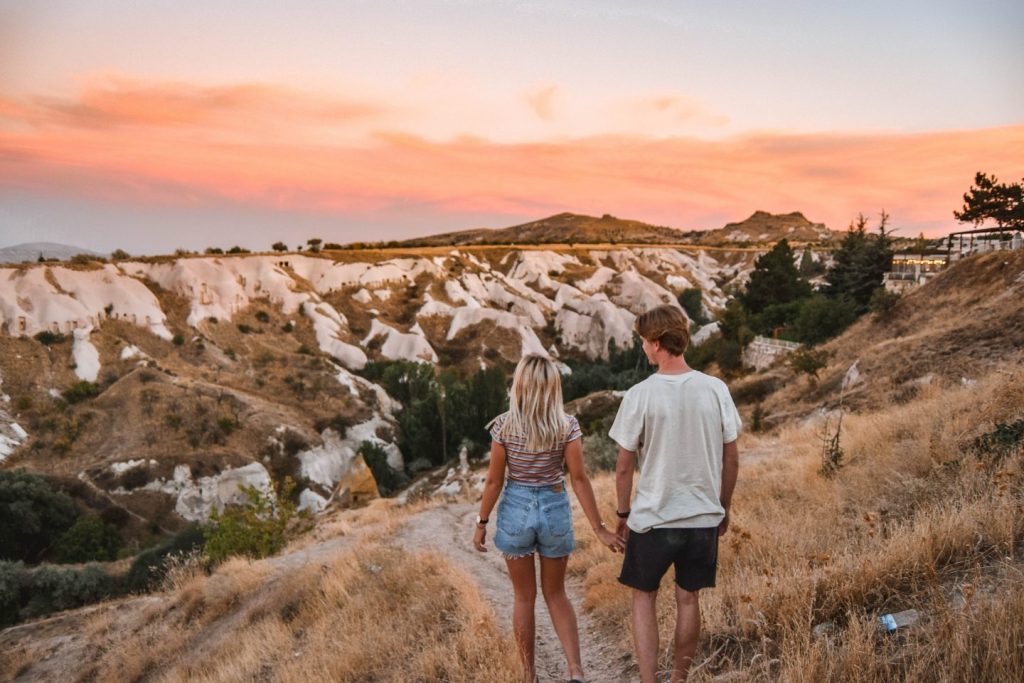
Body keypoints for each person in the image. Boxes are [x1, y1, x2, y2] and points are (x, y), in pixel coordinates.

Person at [474, 354, 625, 683]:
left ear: (520, 386)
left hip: (515, 509)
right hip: (554, 509)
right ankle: (576, 670)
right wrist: (599, 528)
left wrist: (482, 521)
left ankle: (529, 676)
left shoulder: (504, 426)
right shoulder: (566, 425)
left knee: (523, 597)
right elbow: (580, 479)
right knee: (556, 594)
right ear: (553, 387)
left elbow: (494, 481)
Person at [609, 305, 740, 683]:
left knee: (643, 597)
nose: (642, 348)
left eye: (642, 342)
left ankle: (649, 681)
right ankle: (679, 679)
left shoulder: (639, 395)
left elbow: (623, 466)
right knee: (688, 599)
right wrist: (723, 506)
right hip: (702, 516)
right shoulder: (715, 389)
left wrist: (622, 515)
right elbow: (731, 458)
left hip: (653, 518)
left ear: (654, 344)